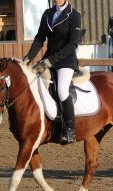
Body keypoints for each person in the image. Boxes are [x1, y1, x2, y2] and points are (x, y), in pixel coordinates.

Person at [23, 0, 81, 144]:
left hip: (65, 61)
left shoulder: (74, 15)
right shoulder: (47, 13)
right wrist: (28, 58)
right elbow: (39, 38)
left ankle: (69, 129)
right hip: (48, 60)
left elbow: (73, 44)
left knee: (61, 90)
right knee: (36, 84)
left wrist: (52, 60)